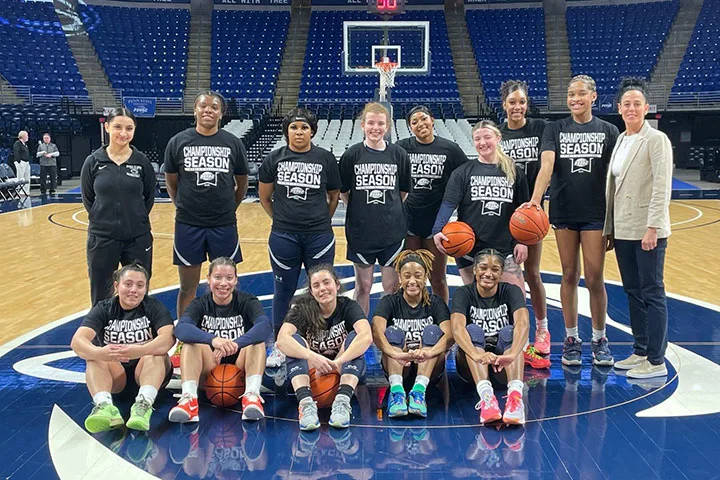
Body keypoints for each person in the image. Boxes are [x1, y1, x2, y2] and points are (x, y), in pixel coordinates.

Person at [523, 75, 620, 367]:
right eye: (570, 94)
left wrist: (613, 221)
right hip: (564, 211)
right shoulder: (555, 129)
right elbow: (547, 165)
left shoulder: (609, 130)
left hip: (595, 213)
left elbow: (615, 177)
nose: (574, 99)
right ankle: (571, 338)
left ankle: (600, 338)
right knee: (568, 275)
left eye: (580, 94)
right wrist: (536, 200)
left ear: (593, 96)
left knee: (594, 278)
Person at [259, 108, 341, 368]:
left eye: (304, 127)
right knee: (283, 290)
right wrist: (281, 219)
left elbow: (334, 196)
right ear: (286, 132)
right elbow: (264, 197)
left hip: (318, 235)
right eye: (294, 127)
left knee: (322, 291)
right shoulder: (274, 158)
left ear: (312, 131)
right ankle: (281, 346)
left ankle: (321, 342)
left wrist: (321, 221)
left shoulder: (325, 158)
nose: (299, 132)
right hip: (284, 235)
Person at [604, 77, 672, 379]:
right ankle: (641, 349)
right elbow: (613, 189)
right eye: (626, 104)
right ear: (619, 108)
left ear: (646, 107)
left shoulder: (656, 140)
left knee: (652, 292)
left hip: (647, 231)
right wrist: (610, 228)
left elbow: (661, 186)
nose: (631, 108)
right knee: (632, 291)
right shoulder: (621, 139)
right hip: (623, 229)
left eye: (636, 104)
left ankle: (656, 360)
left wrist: (653, 227)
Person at [164, 91, 249, 320]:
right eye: (203, 106)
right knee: (187, 287)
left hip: (223, 223)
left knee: (225, 284)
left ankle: (226, 326)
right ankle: (186, 336)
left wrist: (232, 205)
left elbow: (242, 180)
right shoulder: (178, 141)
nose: (208, 110)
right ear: (195, 110)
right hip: (188, 223)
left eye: (214, 106)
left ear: (221, 113)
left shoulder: (232, 143)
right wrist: (179, 204)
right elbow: (171, 180)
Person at [70, 263, 175, 433]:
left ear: (146, 288)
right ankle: (104, 406)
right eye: (128, 284)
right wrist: (101, 352)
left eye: (140, 286)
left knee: (156, 353)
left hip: (147, 373)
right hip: (117, 376)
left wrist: (140, 350)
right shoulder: (104, 308)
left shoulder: (154, 307)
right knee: (94, 356)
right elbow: (77, 341)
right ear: (116, 286)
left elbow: (169, 338)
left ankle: (144, 404)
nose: (134, 289)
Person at [168, 257, 270, 422]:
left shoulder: (247, 301)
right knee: (190, 344)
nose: (223, 283)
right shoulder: (200, 304)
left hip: (241, 370)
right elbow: (181, 328)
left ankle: (252, 396)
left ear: (236, 280)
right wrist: (214, 340)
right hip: (210, 369)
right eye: (217, 277)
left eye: (229, 278)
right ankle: (189, 400)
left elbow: (265, 326)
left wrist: (236, 344)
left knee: (256, 342)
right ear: (208, 279)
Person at [275, 265, 372, 431]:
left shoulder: (348, 306)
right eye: (316, 285)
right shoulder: (302, 308)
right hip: (311, 370)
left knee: (355, 338)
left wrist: (338, 361)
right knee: (293, 342)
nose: (322, 289)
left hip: (342, 368)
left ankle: (342, 401)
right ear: (311, 292)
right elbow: (281, 341)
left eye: (326, 283)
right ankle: (305, 404)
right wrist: (312, 357)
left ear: (337, 285)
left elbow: (367, 336)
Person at [339, 102, 412, 315]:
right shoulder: (352, 155)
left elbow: (403, 192)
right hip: (361, 233)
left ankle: (385, 332)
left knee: (391, 287)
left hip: (392, 232)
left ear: (387, 126)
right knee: (363, 287)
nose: (375, 128)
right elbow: (344, 191)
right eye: (370, 123)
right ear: (362, 125)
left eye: (380, 124)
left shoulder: (399, 154)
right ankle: (360, 331)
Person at [81, 108, 156, 306]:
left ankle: (137, 331)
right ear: (107, 127)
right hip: (102, 238)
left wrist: (134, 218)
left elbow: (149, 197)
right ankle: (101, 334)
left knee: (138, 290)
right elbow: (89, 199)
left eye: (129, 128)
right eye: (117, 127)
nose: (123, 133)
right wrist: (103, 219)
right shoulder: (93, 162)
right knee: (101, 292)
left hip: (137, 237)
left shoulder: (142, 162)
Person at [499, 80, 551, 357]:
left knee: (532, 271)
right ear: (504, 105)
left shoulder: (541, 129)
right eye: (512, 102)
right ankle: (509, 331)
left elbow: (546, 166)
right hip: (504, 213)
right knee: (506, 276)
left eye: (521, 102)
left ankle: (542, 329)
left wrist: (535, 203)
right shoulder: (499, 135)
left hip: (530, 214)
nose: (517, 107)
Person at [396, 106, 468, 304]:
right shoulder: (401, 147)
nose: (420, 124)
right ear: (410, 127)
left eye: (423, 119)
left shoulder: (450, 149)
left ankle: (441, 318)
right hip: (408, 220)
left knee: (437, 278)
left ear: (432, 120)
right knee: (406, 277)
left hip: (436, 222)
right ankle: (408, 317)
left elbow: (463, 179)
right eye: (414, 122)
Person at [450, 249, 530, 426]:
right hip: (472, 365)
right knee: (472, 330)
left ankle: (516, 399)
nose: (488, 273)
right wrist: (477, 355)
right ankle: (487, 398)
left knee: (510, 331)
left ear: (501, 273)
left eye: (495, 269)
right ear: (475, 270)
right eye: (483, 268)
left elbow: (523, 323)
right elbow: (457, 328)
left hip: (503, 365)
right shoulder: (463, 293)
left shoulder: (511, 291)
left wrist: (512, 354)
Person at [372, 249, 453, 418]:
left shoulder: (435, 303)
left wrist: (429, 352)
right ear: (400, 278)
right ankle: (397, 393)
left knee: (433, 331)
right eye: (407, 275)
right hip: (400, 366)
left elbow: (450, 335)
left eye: (418, 275)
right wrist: (396, 353)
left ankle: (418, 392)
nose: (412, 281)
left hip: (429, 368)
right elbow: (376, 331)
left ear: (425, 277)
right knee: (392, 332)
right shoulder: (389, 302)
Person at [13, 130, 30, 195]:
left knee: (27, 177)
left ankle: (26, 191)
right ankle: (20, 192)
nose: (28, 137)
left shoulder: (25, 144)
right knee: (21, 177)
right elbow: (16, 153)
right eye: (27, 136)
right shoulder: (17, 143)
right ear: (23, 136)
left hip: (26, 162)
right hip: (21, 162)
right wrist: (19, 162)